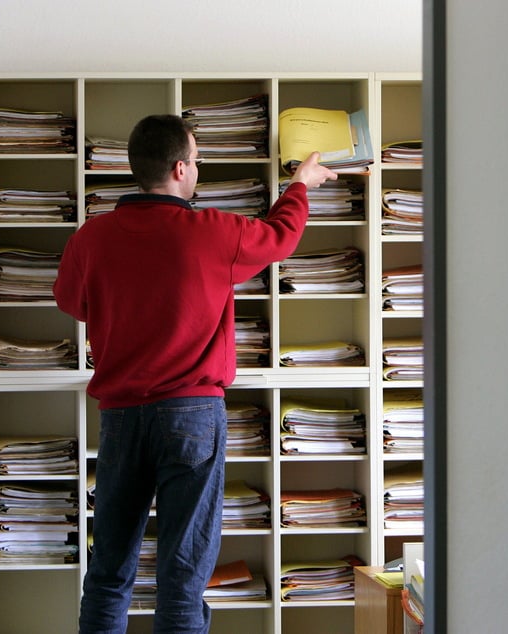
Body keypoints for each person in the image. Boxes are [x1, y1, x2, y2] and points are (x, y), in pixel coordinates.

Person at [53, 113, 337, 633]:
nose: (199, 171)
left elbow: (72, 302)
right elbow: (279, 237)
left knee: (109, 571)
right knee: (182, 578)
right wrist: (299, 185)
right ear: (181, 169)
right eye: (199, 162)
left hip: (122, 416)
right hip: (191, 414)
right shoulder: (213, 231)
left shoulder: (90, 239)